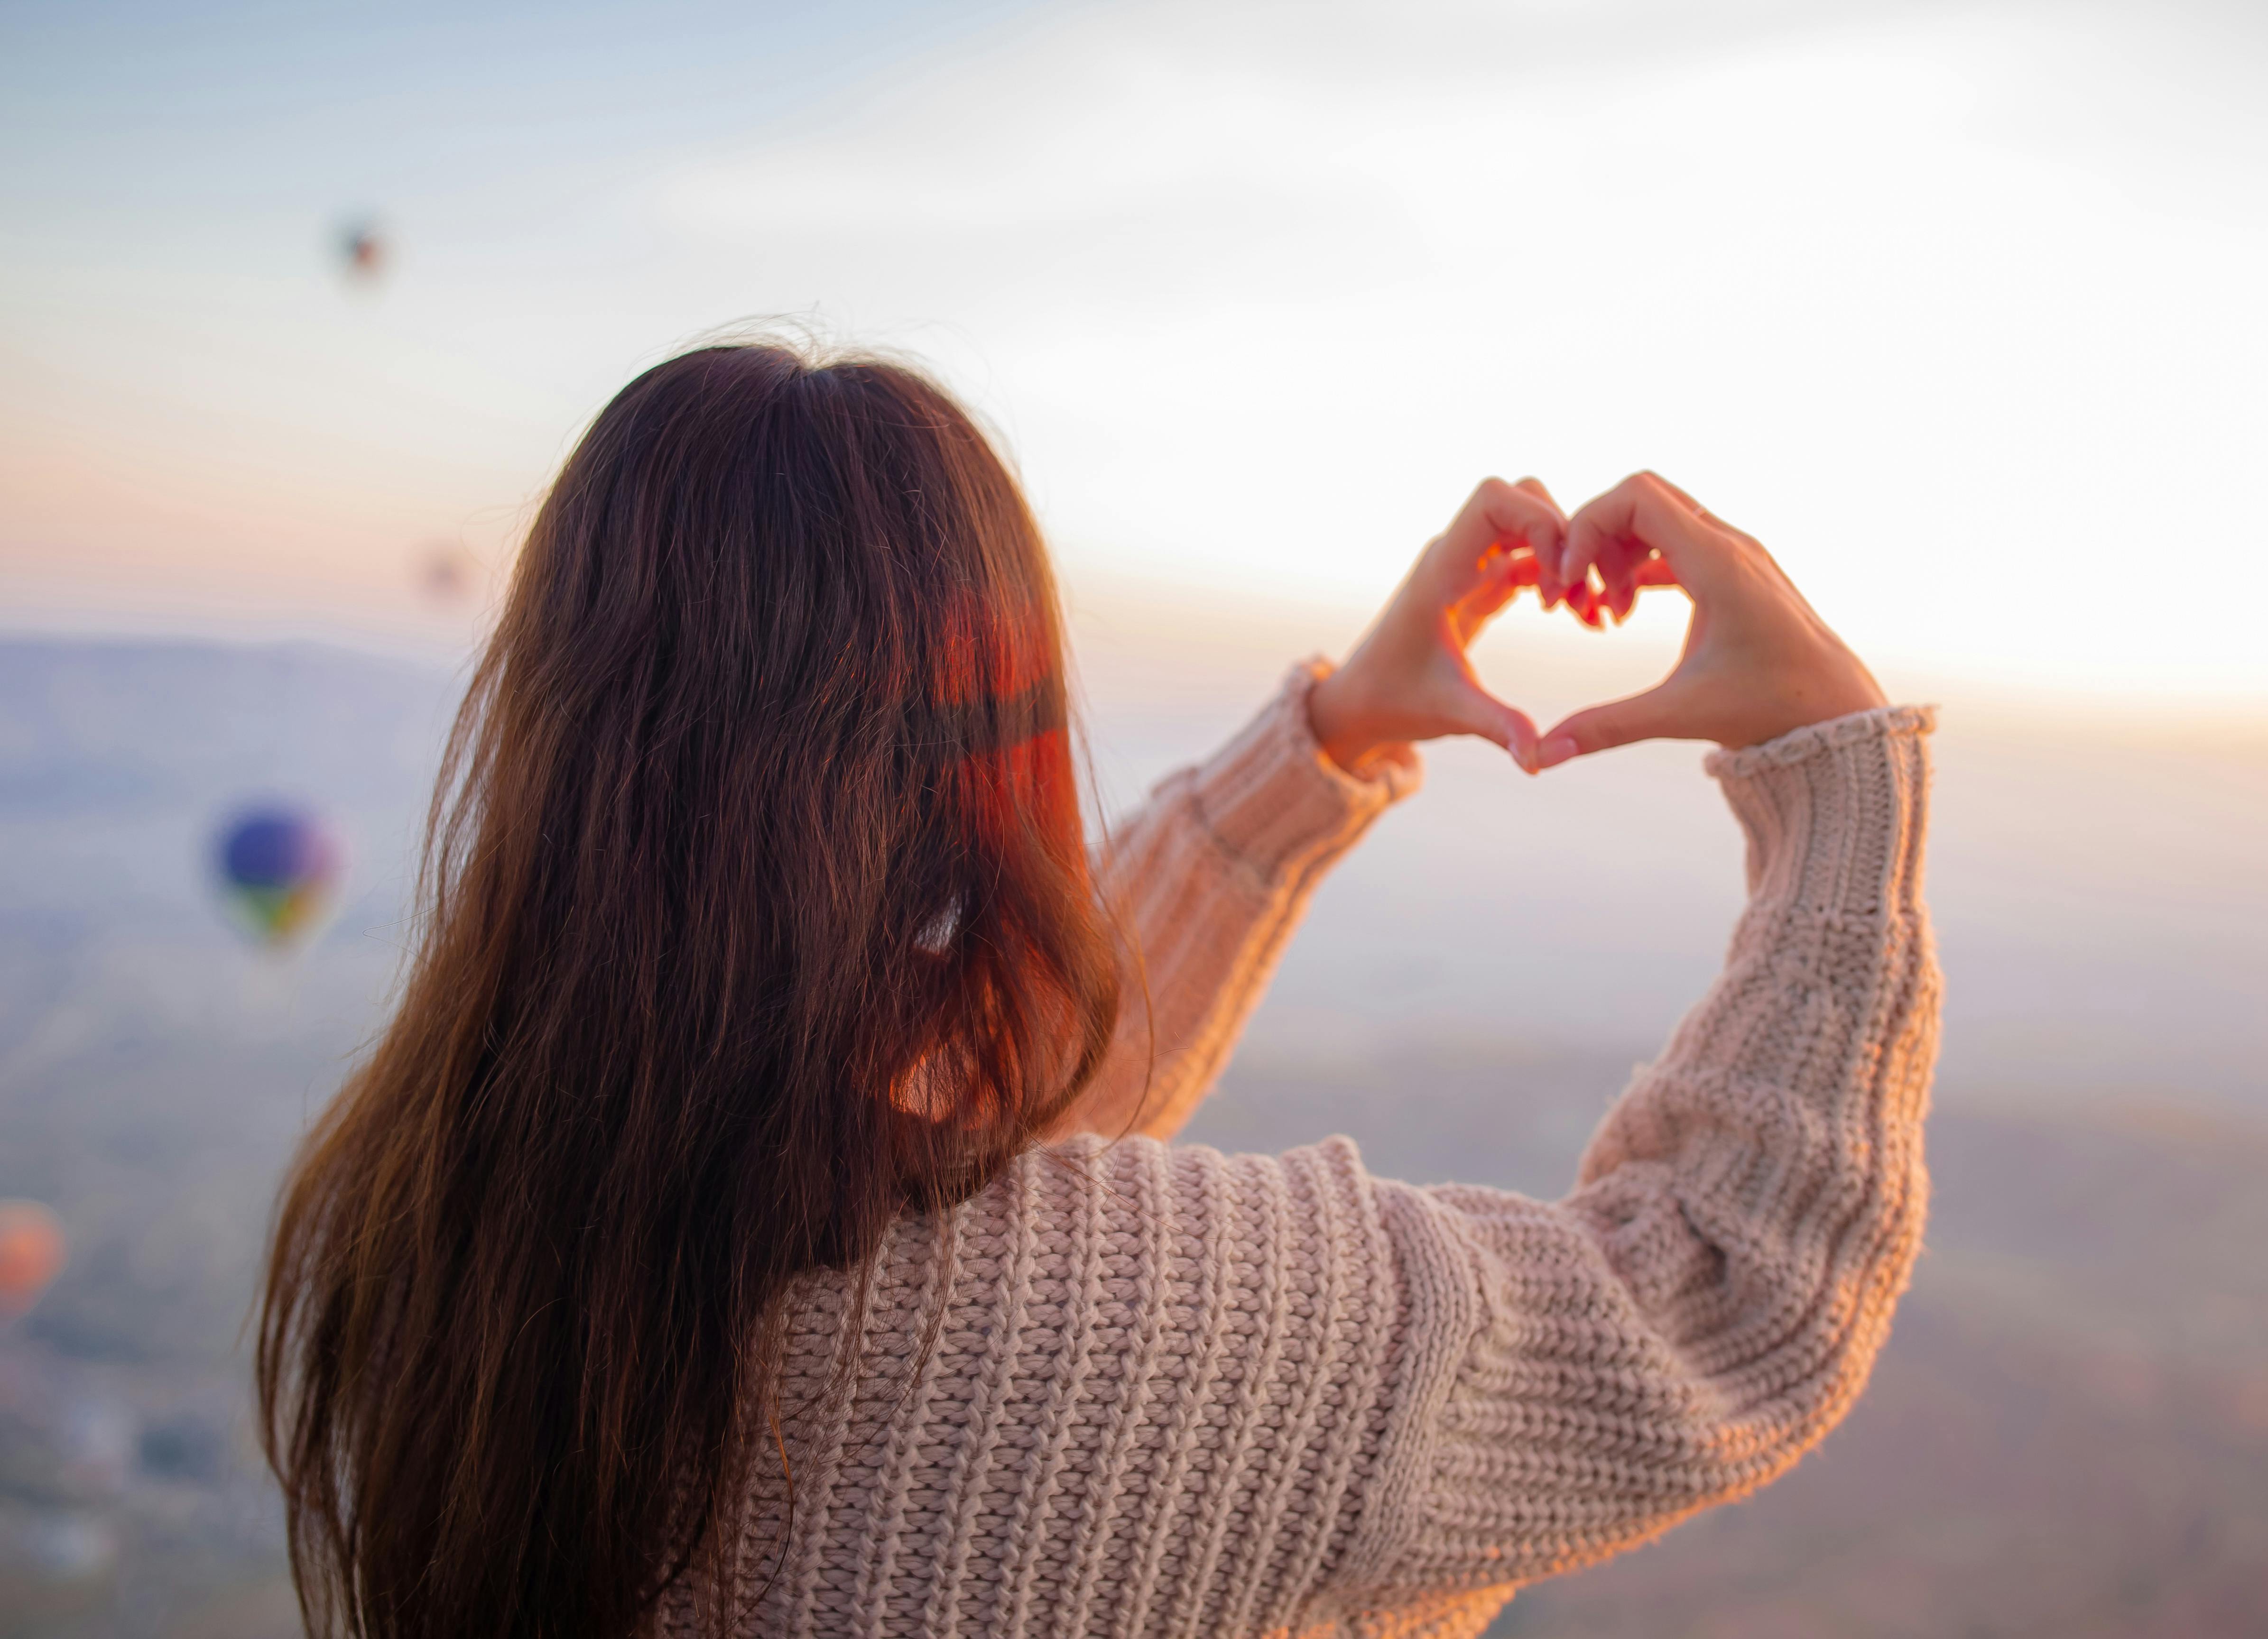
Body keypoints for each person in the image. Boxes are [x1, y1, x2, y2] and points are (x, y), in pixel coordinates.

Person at [257, 341, 1938, 1639]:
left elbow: (998, 1088)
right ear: (999, 748)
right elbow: (1732, 1299)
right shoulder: (1157, 1330)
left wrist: (1333, 737)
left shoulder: (431, 1217)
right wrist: (1831, 770)